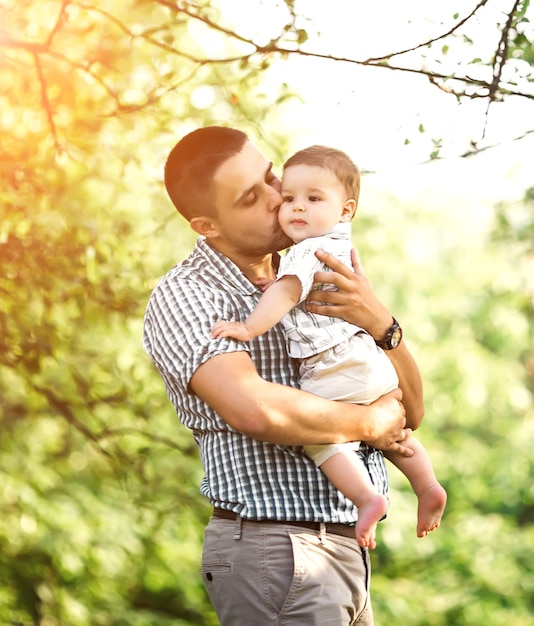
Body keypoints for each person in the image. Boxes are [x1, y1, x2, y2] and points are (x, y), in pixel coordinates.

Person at [143, 126, 423, 625]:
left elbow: (412, 412)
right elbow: (255, 409)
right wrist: (370, 424)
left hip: (343, 550)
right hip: (277, 549)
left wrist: (382, 323)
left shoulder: (313, 270)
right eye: (253, 196)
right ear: (207, 225)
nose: (279, 199)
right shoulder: (188, 296)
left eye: (272, 177)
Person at [211, 145, 447, 550]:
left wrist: (248, 327)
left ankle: (366, 498)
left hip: (332, 367)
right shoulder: (334, 247)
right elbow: (411, 414)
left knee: (320, 438)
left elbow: (286, 294)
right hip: (367, 360)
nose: (294, 207)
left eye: (313, 198)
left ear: (346, 210)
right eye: (290, 198)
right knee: (391, 430)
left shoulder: (306, 251)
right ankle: (427, 484)